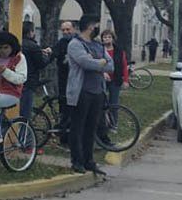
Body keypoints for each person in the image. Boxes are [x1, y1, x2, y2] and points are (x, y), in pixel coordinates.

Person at [66, 16, 113, 175]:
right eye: (96, 26)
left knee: (91, 128)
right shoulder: (75, 44)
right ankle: (77, 161)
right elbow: (85, 63)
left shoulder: (98, 45)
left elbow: (111, 65)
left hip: (98, 91)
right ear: (90, 26)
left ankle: (89, 160)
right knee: (78, 127)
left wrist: (99, 62)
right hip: (81, 92)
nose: (98, 29)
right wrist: (100, 63)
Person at [19, 22, 51, 121]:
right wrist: (47, 56)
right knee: (25, 112)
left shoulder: (17, 44)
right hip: (29, 81)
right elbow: (41, 63)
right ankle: (25, 134)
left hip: (17, 80)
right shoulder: (33, 46)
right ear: (30, 32)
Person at [53, 20, 76, 143]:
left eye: (68, 29)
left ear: (74, 29)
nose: (66, 32)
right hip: (63, 80)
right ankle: (64, 137)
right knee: (64, 108)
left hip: (76, 80)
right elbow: (54, 53)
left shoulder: (78, 42)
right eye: (63, 30)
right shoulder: (61, 43)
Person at [100, 29, 129, 122]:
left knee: (114, 103)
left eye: (109, 37)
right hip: (101, 79)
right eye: (105, 37)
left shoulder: (119, 51)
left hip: (115, 80)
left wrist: (125, 80)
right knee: (101, 102)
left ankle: (114, 123)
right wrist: (103, 73)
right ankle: (102, 122)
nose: (107, 39)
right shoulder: (99, 50)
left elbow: (124, 66)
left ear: (113, 38)